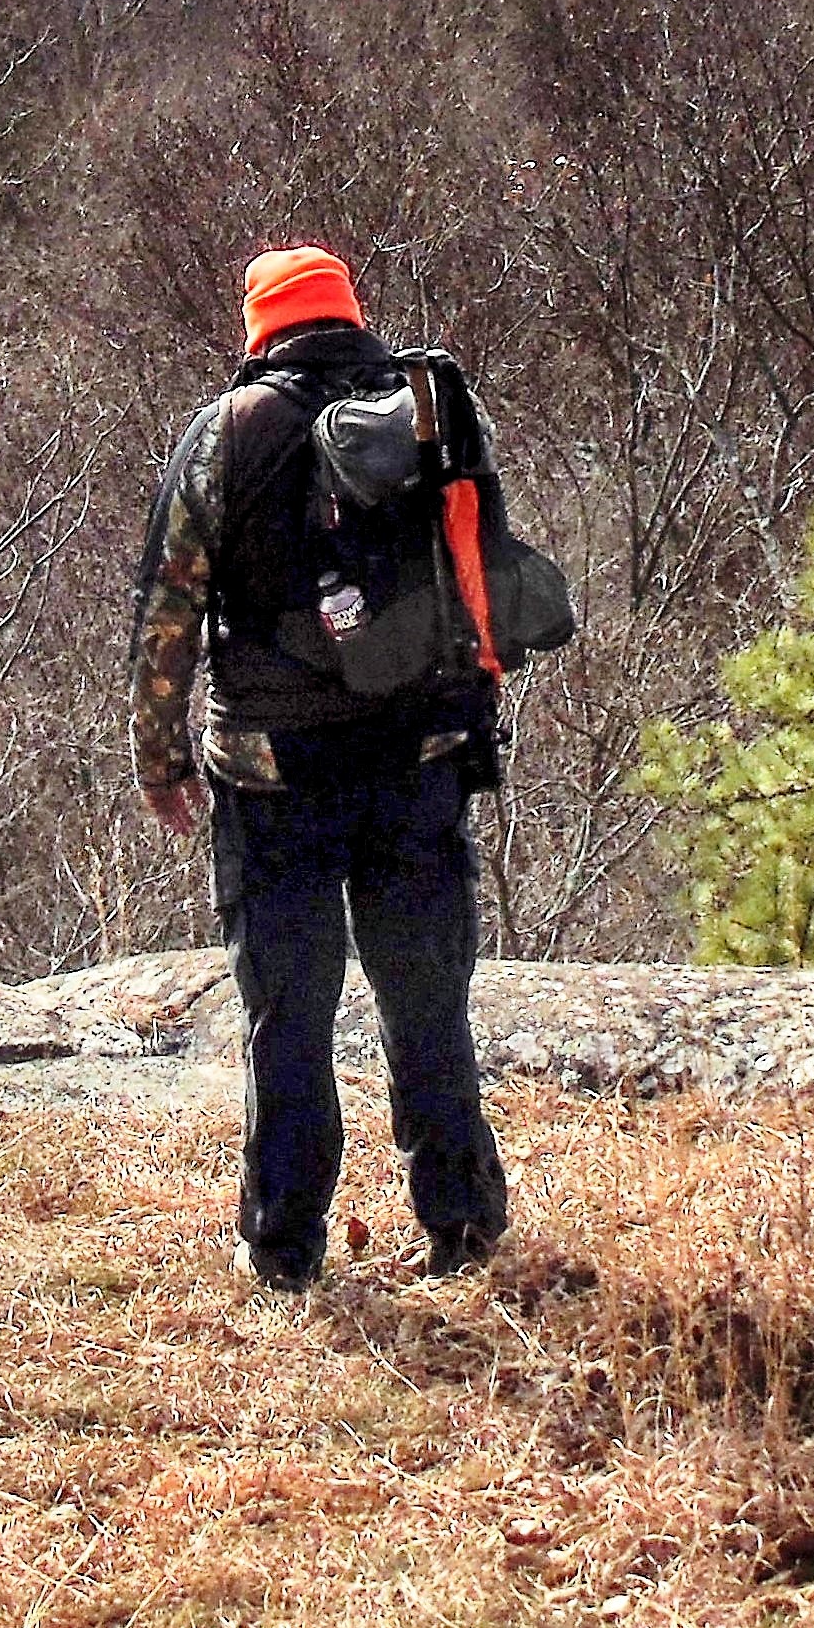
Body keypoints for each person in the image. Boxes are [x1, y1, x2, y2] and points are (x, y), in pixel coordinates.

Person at [129, 244, 512, 1295]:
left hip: (270, 775)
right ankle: (466, 1227)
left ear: (259, 327)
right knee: (426, 1000)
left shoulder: (222, 435)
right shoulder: (428, 409)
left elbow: (168, 610)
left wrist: (162, 762)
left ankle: (283, 1248)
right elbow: (483, 571)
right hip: (417, 757)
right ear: (349, 313)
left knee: (286, 1014)